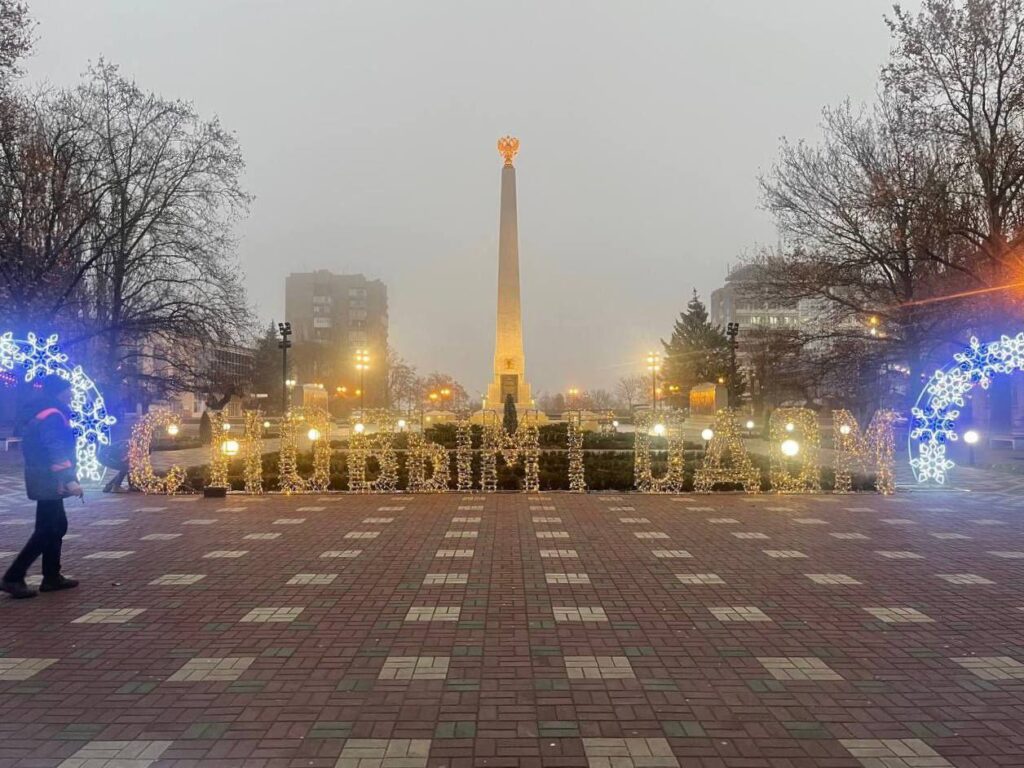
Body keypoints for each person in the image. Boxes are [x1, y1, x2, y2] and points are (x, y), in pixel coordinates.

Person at [1, 374, 83, 599]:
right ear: (59, 391)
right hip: (50, 479)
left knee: (56, 526)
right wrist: (69, 478)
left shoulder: (46, 412)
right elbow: (54, 448)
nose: (72, 393)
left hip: (44, 477)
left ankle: (51, 577)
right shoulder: (53, 416)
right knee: (47, 529)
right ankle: (13, 577)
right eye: (69, 389)